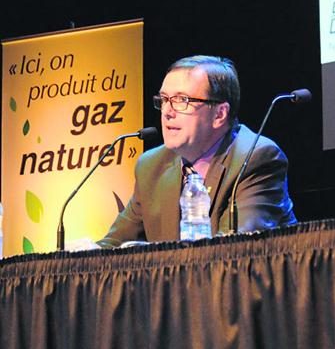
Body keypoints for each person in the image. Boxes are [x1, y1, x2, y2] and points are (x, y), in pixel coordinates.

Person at [98, 55, 296, 247]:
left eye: (181, 100)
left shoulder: (256, 158)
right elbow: (114, 244)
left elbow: (235, 247)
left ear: (219, 114)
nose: (167, 112)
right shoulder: (151, 166)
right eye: (165, 99)